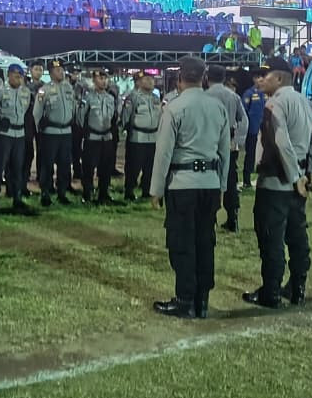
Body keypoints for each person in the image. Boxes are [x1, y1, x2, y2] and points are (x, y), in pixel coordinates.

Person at [150, 56, 231, 319]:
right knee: (205, 241)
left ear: (179, 79)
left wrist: (156, 189)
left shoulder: (174, 107)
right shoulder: (217, 107)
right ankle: (202, 300)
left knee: (182, 243)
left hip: (183, 184)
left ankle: (185, 300)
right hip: (210, 183)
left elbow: (163, 152)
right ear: (204, 78)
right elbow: (224, 152)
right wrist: (222, 185)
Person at [244, 63, 312, 308]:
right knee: (297, 237)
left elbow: (281, 143)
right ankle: (297, 287)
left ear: (278, 78)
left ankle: (271, 292)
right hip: (299, 181)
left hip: (277, 181)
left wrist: (294, 177)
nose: (261, 80)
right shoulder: (304, 102)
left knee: (272, 239)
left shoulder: (274, 104)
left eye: (265, 75)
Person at [204, 65, 248, 231]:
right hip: (229, 141)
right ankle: (232, 218)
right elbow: (244, 120)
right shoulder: (233, 96)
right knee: (230, 180)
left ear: (207, 78)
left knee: (209, 179)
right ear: (224, 79)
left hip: (209, 142)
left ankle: (210, 217)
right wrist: (237, 140)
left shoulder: (204, 96)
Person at [0, 63, 34, 213]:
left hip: (19, 134)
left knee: (18, 168)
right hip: (4, 135)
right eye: (15, 76)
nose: (18, 79)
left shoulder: (26, 93)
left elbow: (25, 110)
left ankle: (17, 198)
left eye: (20, 76)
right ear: (8, 75)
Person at [34, 59, 76, 207]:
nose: (61, 72)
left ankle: (62, 193)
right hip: (50, 132)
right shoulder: (44, 90)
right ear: (51, 73)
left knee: (65, 165)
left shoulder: (69, 88)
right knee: (47, 165)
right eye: (58, 70)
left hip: (66, 132)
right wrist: (39, 130)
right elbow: (37, 113)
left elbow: (73, 107)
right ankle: (45, 193)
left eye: (62, 70)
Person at [77, 69, 119, 204]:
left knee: (106, 168)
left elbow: (114, 117)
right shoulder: (87, 98)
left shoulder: (111, 98)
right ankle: (87, 194)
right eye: (101, 78)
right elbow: (80, 118)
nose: (104, 81)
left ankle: (103, 194)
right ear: (94, 80)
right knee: (88, 168)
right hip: (92, 138)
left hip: (106, 138)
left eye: (105, 78)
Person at [120, 72, 162, 201]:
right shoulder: (133, 97)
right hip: (137, 138)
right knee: (134, 167)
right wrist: (126, 131)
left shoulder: (156, 98)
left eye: (152, 79)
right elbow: (126, 117)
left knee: (150, 167)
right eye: (147, 79)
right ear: (139, 82)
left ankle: (146, 190)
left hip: (153, 137)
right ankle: (129, 191)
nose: (150, 81)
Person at [240, 70, 267, 190]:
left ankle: (263, 178)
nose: (261, 80)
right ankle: (247, 180)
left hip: (265, 130)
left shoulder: (266, 93)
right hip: (252, 129)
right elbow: (243, 112)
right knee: (250, 154)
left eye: (262, 77)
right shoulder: (249, 93)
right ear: (254, 79)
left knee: (265, 154)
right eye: (258, 77)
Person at [22, 61, 44, 187]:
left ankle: (41, 175)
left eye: (40, 70)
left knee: (41, 149)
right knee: (28, 150)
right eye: (36, 69)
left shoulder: (44, 86)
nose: (38, 72)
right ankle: (25, 175)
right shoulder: (25, 86)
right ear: (31, 70)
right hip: (28, 120)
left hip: (40, 121)